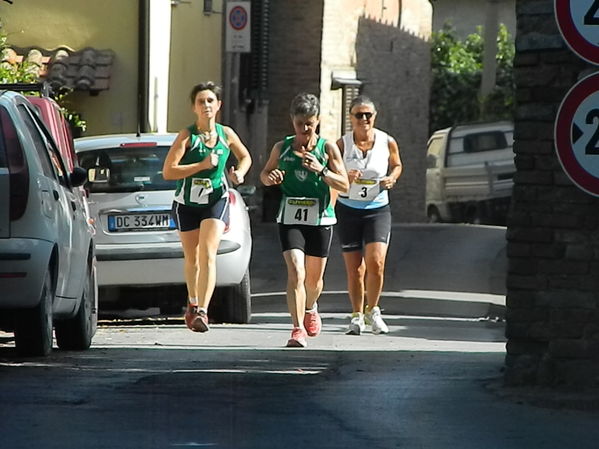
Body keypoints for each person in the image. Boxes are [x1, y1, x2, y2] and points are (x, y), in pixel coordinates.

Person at [260, 92, 349, 347]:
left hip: (320, 219)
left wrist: (321, 170)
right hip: (290, 216)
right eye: (300, 124)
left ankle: (311, 306)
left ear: (317, 120)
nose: (305, 129)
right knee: (296, 272)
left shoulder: (327, 148)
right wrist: (272, 178)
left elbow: (344, 184)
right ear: (292, 121)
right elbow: (264, 175)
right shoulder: (282, 147)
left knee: (313, 280)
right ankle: (297, 328)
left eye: (310, 123)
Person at [163, 81, 252, 332]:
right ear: (194, 107)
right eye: (201, 102)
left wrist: (240, 173)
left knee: (208, 253)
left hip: (216, 200)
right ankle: (192, 303)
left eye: (210, 101)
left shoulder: (226, 134)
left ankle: (203, 310)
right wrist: (201, 165)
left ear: (218, 105)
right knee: (192, 257)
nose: (206, 106)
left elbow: (245, 157)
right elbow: (169, 171)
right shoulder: (187, 136)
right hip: (187, 203)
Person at [335, 95, 403, 335]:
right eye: (358, 115)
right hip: (348, 209)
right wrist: (345, 177)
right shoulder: (342, 145)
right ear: (350, 118)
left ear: (375, 117)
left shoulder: (387, 141)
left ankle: (373, 310)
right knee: (355, 269)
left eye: (368, 115)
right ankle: (356, 315)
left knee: (376, 263)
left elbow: (396, 164)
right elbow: (330, 171)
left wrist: (392, 178)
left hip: (377, 208)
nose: (364, 119)